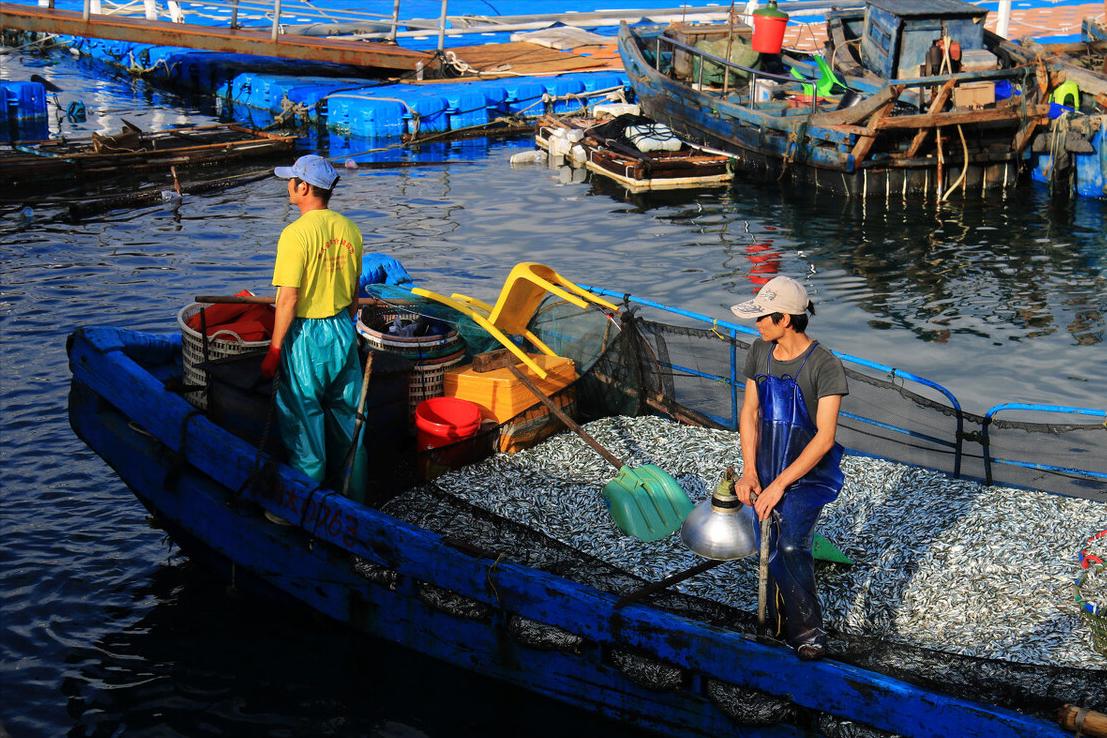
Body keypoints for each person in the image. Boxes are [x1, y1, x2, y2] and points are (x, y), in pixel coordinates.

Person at [730, 275, 848, 661]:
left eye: (763, 317)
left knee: (792, 542)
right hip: (765, 466)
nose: (757, 323)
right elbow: (750, 413)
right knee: (765, 538)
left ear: (785, 320)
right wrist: (750, 472)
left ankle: (809, 633)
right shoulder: (759, 351)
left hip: (808, 475)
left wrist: (780, 484)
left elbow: (825, 437)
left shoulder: (824, 365)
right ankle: (775, 622)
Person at [261, 155, 368, 502]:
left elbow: (288, 300)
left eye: (291, 181)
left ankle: (302, 505)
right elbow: (353, 297)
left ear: (303, 187)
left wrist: (275, 350)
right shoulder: (350, 230)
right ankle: (353, 497)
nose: (289, 187)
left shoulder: (295, 235)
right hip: (342, 331)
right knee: (347, 419)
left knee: (304, 420)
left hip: (307, 336)